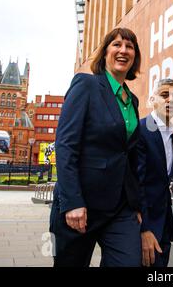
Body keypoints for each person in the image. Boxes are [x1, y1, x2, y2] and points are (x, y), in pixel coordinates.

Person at [49, 27, 143, 267]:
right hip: (82, 204)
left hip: (120, 208)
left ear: (135, 57)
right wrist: (72, 202)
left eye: (129, 47)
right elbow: (66, 144)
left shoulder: (132, 100)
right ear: (105, 53)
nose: (123, 51)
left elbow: (129, 155)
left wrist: (135, 204)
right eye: (117, 45)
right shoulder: (86, 85)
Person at [137, 78, 173, 267]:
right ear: (152, 99)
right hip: (144, 228)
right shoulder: (140, 130)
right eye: (164, 95)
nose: (171, 100)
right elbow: (136, 184)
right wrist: (144, 229)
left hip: (163, 227)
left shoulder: (171, 134)